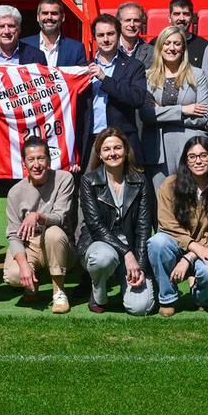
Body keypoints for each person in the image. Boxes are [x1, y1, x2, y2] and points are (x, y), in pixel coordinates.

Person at [147, 135, 208, 316]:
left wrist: (191, 256)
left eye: (203, 155)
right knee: (157, 243)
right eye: (192, 157)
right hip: (177, 245)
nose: (198, 161)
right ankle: (168, 297)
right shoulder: (170, 185)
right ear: (185, 161)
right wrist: (192, 247)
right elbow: (166, 224)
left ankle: (201, 292)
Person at [78, 127, 156, 315]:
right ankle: (99, 293)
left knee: (141, 307)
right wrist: (127, 254)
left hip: (132, 249)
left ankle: (127, 284)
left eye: (117, 148)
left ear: (126, 150)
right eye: (107, 149)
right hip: (100, 244)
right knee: (103, 258)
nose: (113, 153)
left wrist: (141, 265)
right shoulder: (89, 181)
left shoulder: (141, 181)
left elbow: (144, 227)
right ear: (100, 154)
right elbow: (95, 226)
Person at [2, 136, 78, 313]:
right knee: (13, 275)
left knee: (54, 233)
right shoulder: (15, 192)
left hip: (58, 242)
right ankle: (33, 282)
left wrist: (37, 216)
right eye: (31, 159)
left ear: (49, 160)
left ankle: (59, 291)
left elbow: (60, 217)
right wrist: (23, 266)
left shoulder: (64, 179)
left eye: (41, 158)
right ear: (24, 164)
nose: (36, 164)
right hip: (30, 245)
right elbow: (13, 234)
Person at [142, 26, 208, 187]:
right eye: (167, 43)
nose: (171, 48)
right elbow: (146, 115)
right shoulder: (147, 77)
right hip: (158, 150)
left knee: (192, 202)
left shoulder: (197, 75)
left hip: (191, 147)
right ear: (160, 47)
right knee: (163, 204)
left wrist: (162, 113)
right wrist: (183, 110)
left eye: (177, 44)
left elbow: (203, 117)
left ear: (183, 48)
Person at [83, 14, 151, 164]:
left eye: (110, 34)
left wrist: (104, 79)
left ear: (119, 35)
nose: (106, 39)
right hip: (91, 140)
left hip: (122, 140)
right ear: (94, 38)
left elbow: (137, 98)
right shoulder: (83, 67)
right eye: (100, 35)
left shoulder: (134, 66)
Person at [23, 0, 87, 68]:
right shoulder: (23, 45)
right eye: (45, 13)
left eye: (54, 13)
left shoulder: (77, 49)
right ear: (38, 17)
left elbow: (81, 78)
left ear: (62, 17)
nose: (49, 17)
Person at [166, 0, 208, 67]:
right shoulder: (156, 44)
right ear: (169, 18)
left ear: (192, 18)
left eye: (186, 14)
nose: (181, 18)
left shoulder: (204, 47)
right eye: (177, 14)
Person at [116, 2, 154, 68]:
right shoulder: (109, 50)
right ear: (119, 23)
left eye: (136, 21)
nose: (132, 25)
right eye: (127, 20)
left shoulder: (152, 52)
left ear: (142, 23)